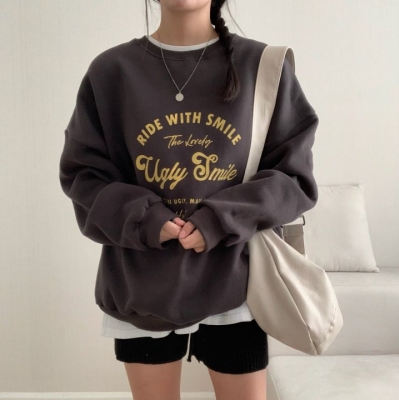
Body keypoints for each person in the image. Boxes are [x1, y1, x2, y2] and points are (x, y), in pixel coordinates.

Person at [59, 0, 319, 398]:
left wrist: (219, 219)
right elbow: (84, 175)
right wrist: (146, 218)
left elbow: (293, 176)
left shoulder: (262, 66)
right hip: (141, 283)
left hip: (238, 284)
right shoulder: (112, 71)